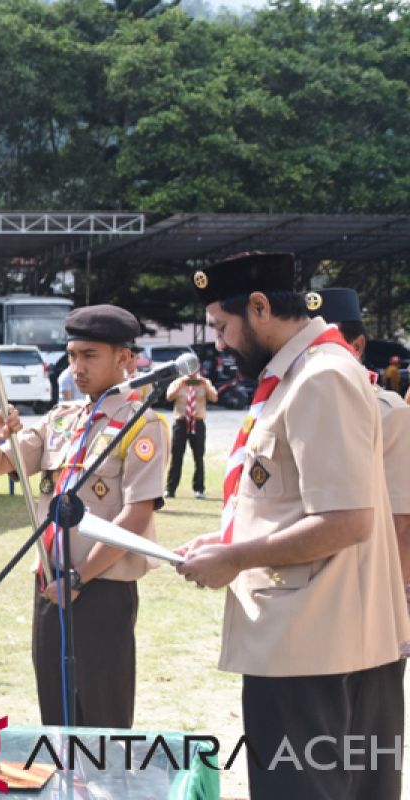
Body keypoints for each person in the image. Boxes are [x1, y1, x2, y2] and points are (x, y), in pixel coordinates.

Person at [177, 253, 410, 800]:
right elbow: (286, 502)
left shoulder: (319, 377)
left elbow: (347, 519)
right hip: (314, 638)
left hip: (311, 648)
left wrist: (235, 558)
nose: (218, 343)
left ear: (259, 307)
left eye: (221, 326)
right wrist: (228, 541)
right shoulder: (297, 375)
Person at [0, 304, 166, 728]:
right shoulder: (61, 420)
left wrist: (80, 577)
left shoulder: (140, 424)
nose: (76, 367)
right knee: (56, 712)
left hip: (101, 588)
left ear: (125, 358)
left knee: (103, 714)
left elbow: (136, 515)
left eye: (90, 355)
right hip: (49, 583)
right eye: (72, 355)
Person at [312, 287, 410, 626]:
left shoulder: (388, 412)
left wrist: (391, 603)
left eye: (329, 345)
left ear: (357, 347)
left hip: (371, 591)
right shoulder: (298, 409)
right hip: (312, 588)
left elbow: (401, 524)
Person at [164, 368, 217, 499]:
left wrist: (204, 385)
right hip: (181, 422)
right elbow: (169, 397)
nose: (191, 374)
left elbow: (214, 397)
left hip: (197, 422)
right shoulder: (178, 382)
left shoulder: (204, 382)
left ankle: (199, 489)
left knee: (199, 456)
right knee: (176, 456)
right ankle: (170, 489)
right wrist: (181, 384)